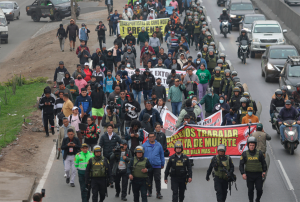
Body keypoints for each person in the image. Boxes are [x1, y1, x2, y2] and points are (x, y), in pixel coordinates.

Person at [239, 137, 267, 202]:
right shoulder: (244, 154)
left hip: (258, 175)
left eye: (253, 145)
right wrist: (243, 173)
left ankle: (258, 199)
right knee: (250, 189)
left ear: (255, 145)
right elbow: (241, 164)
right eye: (250, 145)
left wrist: (264, 171)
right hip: (249, 175)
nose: (251, 147)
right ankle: (251, 200)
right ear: (248, 145)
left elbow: (264, 163)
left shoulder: (259, 153)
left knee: (259, 189)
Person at [142, 132, 165, 198]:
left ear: (155, 137)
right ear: (148, 138)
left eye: (153, 137)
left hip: (157, 165)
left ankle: (158, 193)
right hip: (148, 165)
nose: (151, 138)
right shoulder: (144, 145)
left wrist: (162, 163)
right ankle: (149, 192)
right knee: (149, 179)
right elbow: (141, 154)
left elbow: (161, 155)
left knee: (157, 179)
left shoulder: (159, 145)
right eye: (150, 137)